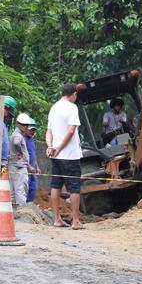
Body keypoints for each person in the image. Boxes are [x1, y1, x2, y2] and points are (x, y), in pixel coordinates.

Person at [46, 83, 83, 229]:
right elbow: (71, 130)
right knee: (74, 188)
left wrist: (51, 147)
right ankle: (75, 221)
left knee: (56, 186)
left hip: (55, 156)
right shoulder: (72, 107)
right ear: (74, 94)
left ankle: (57, 219)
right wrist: (60, 148)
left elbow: (48, 132)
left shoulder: (53, 107)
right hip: (70, 155)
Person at [9, 113, 36, 207]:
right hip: (19, 167)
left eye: (27, 125)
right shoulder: (18, 135)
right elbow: (16, 143)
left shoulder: (17, 134)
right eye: (24, 125)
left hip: (15, 166)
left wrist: (29, 166)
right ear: (18, 124)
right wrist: (19, 151)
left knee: (13, 190)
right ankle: (22, 211)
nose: (26, 127)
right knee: (21, 189)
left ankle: (13, 211)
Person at [24, 119, 40, 204]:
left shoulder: (32, 140)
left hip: (33, 170)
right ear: (26, 128)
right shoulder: (23, 139)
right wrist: (29, 167)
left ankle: (29, 204)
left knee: (33, 187)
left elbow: (33, 153)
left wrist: (37, 166)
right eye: (31, 130)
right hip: (26, 170)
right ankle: (24, 206)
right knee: (25, 189)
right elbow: (21, 156)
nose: (32, 132)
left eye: (34, 130)